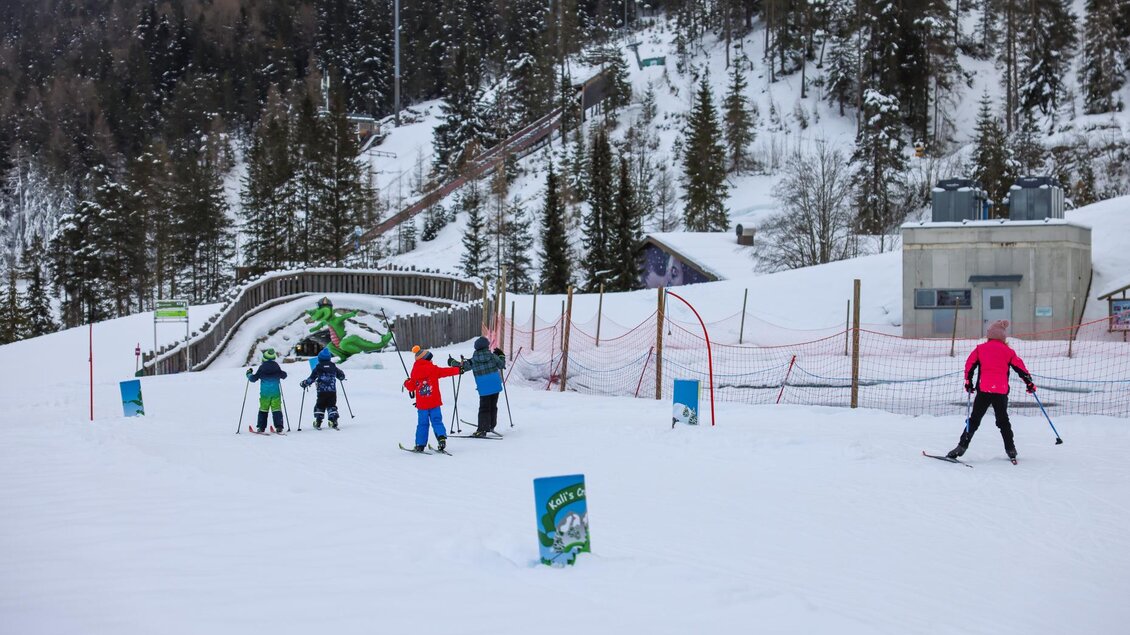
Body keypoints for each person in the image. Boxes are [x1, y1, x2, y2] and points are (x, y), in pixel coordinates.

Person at [947, 320, 1035, 460]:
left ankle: (962, 446)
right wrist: (1029, 383)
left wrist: (968, 382)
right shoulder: (1008, 351)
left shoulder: (980, 349)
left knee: (974, 420)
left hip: (984, 389)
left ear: (989, 336)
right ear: (1003, 337)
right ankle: (1010, 449)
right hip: (1000, 391)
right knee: (1003, 421)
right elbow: (1020, 368)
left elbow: (970, 365)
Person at [403, 345, 463, 452]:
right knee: (437, 421)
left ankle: (420, 445)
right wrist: (458, 370)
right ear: (426, 359)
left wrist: (406, 382)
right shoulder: (433, 369)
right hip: (434, 403)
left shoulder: (415, 371)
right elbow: (446, 372)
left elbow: (411, 386)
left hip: (422, 406)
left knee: (422, 424)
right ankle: (441, 438)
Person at [456, 337, 506, 437]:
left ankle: (482, 429)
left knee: (484, 407)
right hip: (495, 385)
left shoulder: (473, 360)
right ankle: (491, 425)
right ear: (487, 346)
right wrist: (501, 355)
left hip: (484, 388)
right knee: (493, 405)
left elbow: (463, 367)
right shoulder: (492, 356)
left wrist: (452, 362)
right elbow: (501, 365)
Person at [299, 348, 346, 429]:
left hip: (321, 391)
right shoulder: (333, 366)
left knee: (320, 405)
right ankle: (333, 420)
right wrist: (341, 377)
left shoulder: (318, 367)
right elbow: (341, 375)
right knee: (332, 405)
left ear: (319, 359)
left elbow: (311, 378)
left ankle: (318, 421)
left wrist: (305, 383)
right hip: (332, 391)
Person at [247, 348, 288, 433]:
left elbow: (253, 379)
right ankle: (279, 426)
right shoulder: (276, 366)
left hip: (265, 394)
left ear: (264, 358)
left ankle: (261, 427)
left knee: (263, 409)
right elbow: (284, 375)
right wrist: (282, 374)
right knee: (276, 409)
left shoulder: (262, 368)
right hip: (275, 393)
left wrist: (249, 374)